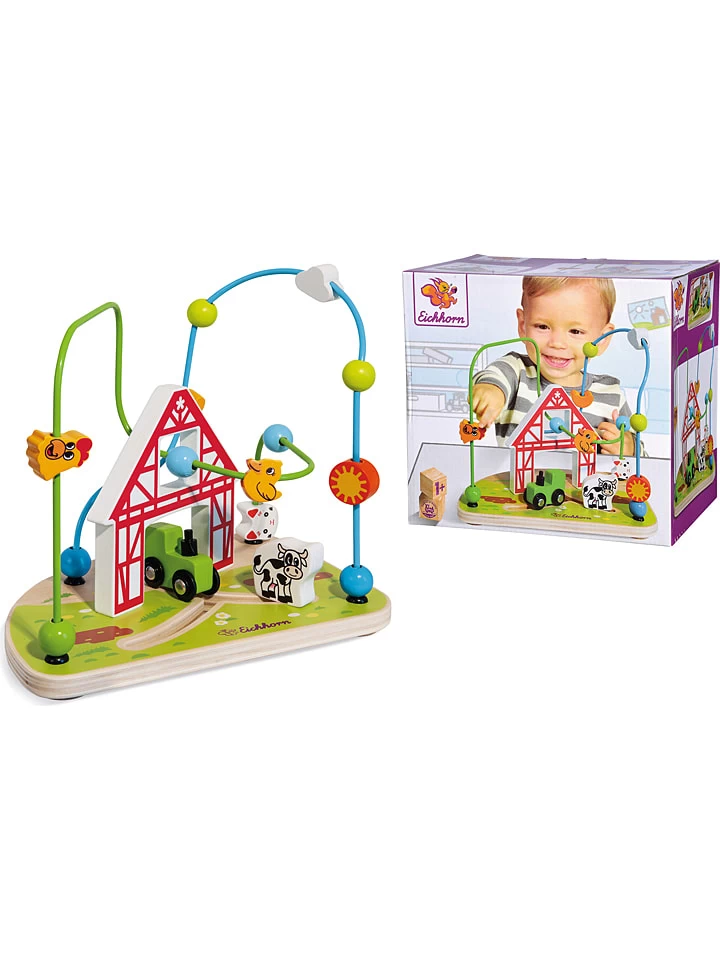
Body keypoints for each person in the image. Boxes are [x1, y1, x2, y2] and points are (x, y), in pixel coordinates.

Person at [472, 276, 636, 456]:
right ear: (523, 325)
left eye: (575, 331)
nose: (557, 343)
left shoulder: (611, 394)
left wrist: (628, 448)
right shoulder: (517, 372)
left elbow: (642, 457)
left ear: (602, 340)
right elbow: (493, 377)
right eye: (542, 327)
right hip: (521, 475)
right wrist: (491, 391)